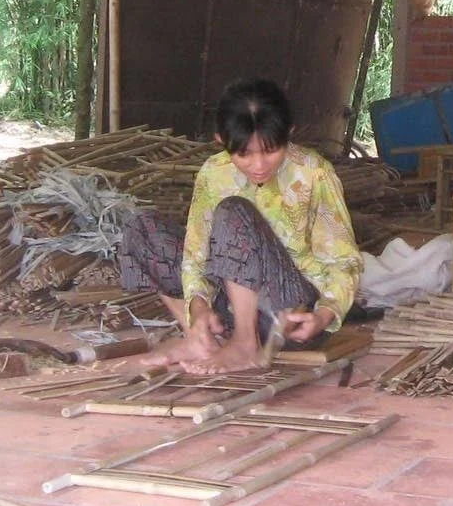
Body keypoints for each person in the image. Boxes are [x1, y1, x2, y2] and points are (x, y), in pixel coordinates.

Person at [118, 78, 362, 374]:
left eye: (270, 150)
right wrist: (197, 310)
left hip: (289, 314)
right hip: (228, 307)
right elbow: (194, 256)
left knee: (233, 212)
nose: (258, 165)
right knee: (141, 227)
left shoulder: (314, 173)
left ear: (289, 134)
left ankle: (246, 344)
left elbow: (344, 263)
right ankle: (201, 339)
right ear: (222, 141)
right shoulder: (213, 173)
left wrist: (323, 316)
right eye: (244, 154)